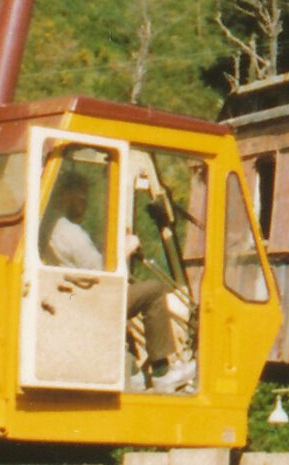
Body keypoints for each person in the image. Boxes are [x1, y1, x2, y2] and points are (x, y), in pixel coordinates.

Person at [42, 165, 185, 391]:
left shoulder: (47, 225)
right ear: (65, 194)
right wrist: (124, 250)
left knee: (125, 300)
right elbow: (99, 270)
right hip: (88, 302)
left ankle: (132, 369)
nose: (85, 205)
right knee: (154, 290)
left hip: (69, 300)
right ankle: (162, 371)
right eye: (81, 197)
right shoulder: (69, 231)